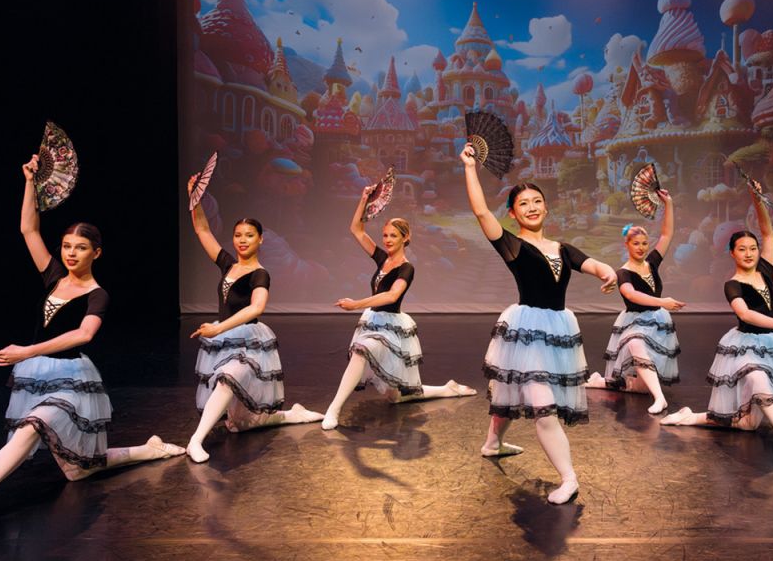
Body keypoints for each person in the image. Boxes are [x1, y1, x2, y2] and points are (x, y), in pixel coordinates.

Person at [0, 156, 184, 542]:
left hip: (70, 378)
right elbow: (28, 228)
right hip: (38, 375)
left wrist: (26, 350)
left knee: (33, 428)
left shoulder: (98, 295)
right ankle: (148, 450)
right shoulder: (55, 275)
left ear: (97, 253)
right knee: (79, 469)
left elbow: (84, 335)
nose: (71, 253)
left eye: (81, 247)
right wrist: (29, 183)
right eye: (67, 246)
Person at [461, 143, 618, 504]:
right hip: (525, 329)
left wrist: (607, 271)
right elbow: (481, 211)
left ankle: (492, 443)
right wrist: (470, 168)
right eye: (523, 204)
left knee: (510, 390)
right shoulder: (513, 246)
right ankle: (569, 477)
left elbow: (593, 264)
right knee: (540, 403)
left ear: (546, 207)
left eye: (536, 201)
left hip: (558, 331)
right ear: (514, 214)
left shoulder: (563, 248)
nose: (531, 208)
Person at [662, 182, 773, 462]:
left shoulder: (765, 269)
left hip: (770, 345)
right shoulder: (732, 284)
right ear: (732, 252)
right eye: (742, 249)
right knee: (759, 381)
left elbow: (767, 232)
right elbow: (746, 314)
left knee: (746, 424)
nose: (750, 253)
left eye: (753, 248)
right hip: (745, 347)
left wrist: (756, 198)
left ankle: (690, 417)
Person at [185, 178, 321, 463]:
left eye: (249, 235)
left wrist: (218, 327)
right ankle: (290, 415)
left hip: (248, 342)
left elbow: (256, 307)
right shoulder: (227, 264)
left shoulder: (261, 274)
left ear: (260, 239)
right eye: (238, 235)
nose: (242, 240)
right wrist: (194, 198)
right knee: (238, 423)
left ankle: (195, 441)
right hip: (223, 339)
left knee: (227, 378)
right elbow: (202, 228)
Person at [320, 185, 476, 430]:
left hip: (391, 328)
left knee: (361, 351)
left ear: (405, 237)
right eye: (385, 236)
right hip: (372, 321)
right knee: (394, 397)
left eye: (393, 236)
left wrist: (356, 304)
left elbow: (392, 296)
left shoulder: (406, 268)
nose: (387, 240)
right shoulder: (382, 259)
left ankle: (334, 409)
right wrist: (363, 199)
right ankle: (447, 388)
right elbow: (356, 229)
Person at [585, 189, 683, 414]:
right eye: (636, 243)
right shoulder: (623, 272)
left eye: (644, 243)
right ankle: (660, 399)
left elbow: (666, 235)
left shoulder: (652, 263)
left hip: (657, 322)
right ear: (626, 245)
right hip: (635, 321)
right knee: (634, 341)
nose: (641, 247)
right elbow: (631, 295)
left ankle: (602, 382)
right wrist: (662, 301)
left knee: (639, 387)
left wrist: (668, 203)